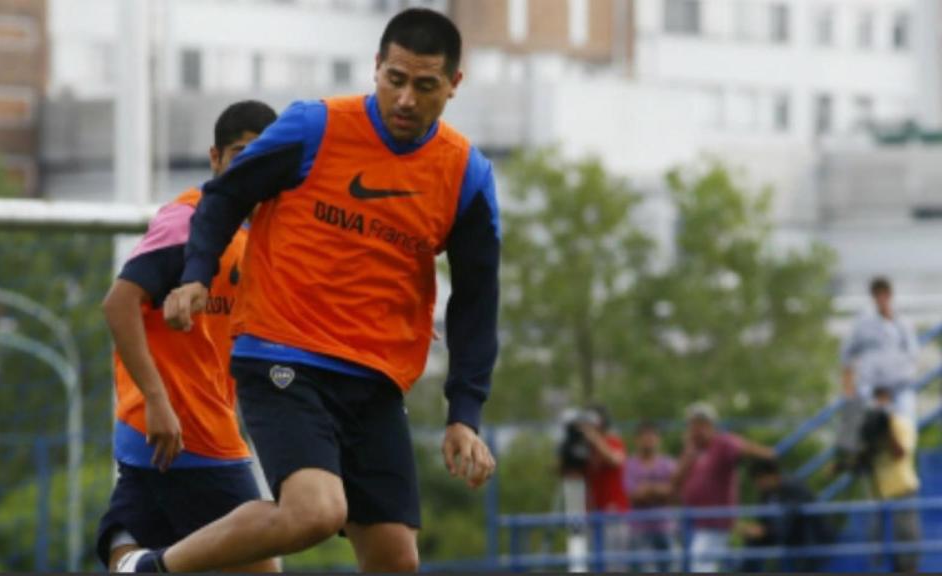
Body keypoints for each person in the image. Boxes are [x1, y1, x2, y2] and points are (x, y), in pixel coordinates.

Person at [121, 8, 500, 573]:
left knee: (396, 559)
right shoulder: (314, 127)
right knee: (316, 511)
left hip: (374, 380)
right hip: (283, 355)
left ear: (453, 86)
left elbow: (475, 300)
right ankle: (152, 569)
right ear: (375, 68)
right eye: (395, 79)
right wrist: (197, 273)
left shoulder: (466, 173)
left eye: (425, 86)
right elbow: (226, 195)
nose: (405, 99)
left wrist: (464, 414)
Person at [97, 101, 281, 572]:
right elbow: (119, 304)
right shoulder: (187, 223)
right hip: (186, 428)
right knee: (263, 556)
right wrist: (158, 400)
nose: (251, 165)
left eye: (263, 155)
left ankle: (128, 551)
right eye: (241, 152)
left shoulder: (258, 231)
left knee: (138, 537)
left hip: (170, 429)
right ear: (215, 158)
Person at [674, 403, 775, 573]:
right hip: (694, 521)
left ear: (710, 425)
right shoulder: (692, 450)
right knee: (698, 563)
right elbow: (675, 482)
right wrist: (688, 454)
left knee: (701, 564)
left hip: (716, 522)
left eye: (700, 424)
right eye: (693, 424)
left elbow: (745, 448)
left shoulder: (722, 443)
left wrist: (767, 453)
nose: (695, 429)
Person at [840, 277, 919, 425]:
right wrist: (848, 386)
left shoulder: (903, 323)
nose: (881, 298)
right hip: (871, 390)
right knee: (871, 435)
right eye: (878, 295)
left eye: (885, 294)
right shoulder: (863, 324)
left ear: (890, 295)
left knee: (903, 433)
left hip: (899, 388)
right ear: (873, 297)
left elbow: (912, 355)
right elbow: (847, 354)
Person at [741, 458, 831, 573]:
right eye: (755, 480)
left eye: (760, 479)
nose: (758, 484)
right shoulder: (766, 494)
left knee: (805, 557)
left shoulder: (793, 487)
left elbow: (791, 519)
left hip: (808, 537)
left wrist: (765, 531)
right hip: (784, 535)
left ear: (773, 475)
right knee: (753, 541)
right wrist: (757, 530)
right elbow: (764, 521)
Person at [866, 386, 921, 573]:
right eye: (877, 400)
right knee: (875, 538)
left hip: (902, 486)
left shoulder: (902, 423)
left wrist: (888, 426)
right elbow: (864, 455)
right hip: (878, 488)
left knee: (905, 535)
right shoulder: (870, 426)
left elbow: (900, 454)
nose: (880, 405)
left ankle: (908, 569)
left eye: (883, 400)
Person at [578, 405, 630, 571]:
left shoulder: (613, 441)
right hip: (594, 514)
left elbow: (615, 460)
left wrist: (594, 438)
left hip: (614, 512)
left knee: (614, 564)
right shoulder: (585, 448)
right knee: (595, 562)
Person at [623, 422, 677, 572]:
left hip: (665, 526)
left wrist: (648, 489)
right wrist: (660, 491)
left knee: (670, 568)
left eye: (652, 436)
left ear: (658, 439)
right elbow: (633, 495)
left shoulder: (668, 463)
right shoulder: (629, 464)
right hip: (639, 529)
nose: (649, 440)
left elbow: (674, 493)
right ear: (637, 440)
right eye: (644, 436)